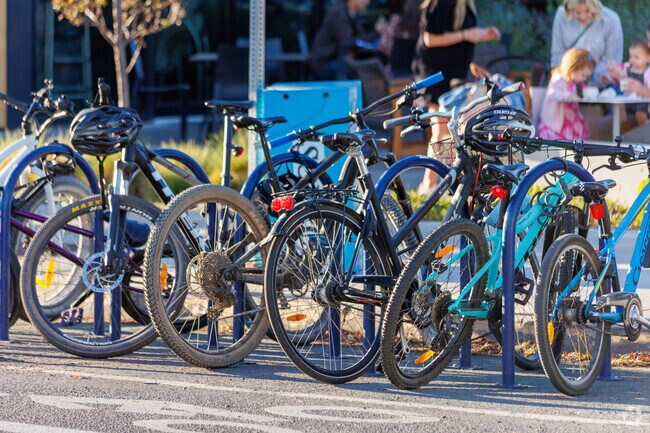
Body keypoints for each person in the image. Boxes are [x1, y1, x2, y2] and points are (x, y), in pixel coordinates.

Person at [413, 0, 500, 193]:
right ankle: (428, 187)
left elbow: (459, 36)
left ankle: (437, 185)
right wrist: (467, 35)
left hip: (453, 75)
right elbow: (430, 38)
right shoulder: (442, 3)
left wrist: (481, 35)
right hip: (437, 75)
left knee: (447, 131)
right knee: (441, 131)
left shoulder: (466, 4)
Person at [551, 0, 623, 84]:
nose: (583, 17)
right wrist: (561, 79)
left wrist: (587, 77)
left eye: (587, 11)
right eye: (577, 12)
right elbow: (557, 52)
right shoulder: (562, 15)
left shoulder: (611, 19)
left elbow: (611, 60)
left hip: (599, 82)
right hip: (568, 80)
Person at [310, 0, 378, 80]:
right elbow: (348, 42)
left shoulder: (353, 16)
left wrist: (377, 35)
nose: (367, 2)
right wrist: (375, 33)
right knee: (357, 71)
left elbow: (361, 41)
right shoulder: (338, 14)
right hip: (324, 63)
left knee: (365, 67)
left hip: (338, 60)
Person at [538, 48, 595, 140]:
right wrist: (567, 95)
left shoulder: (572, 82)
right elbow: (553, 93)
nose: (584, 79)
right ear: (572, 68)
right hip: (557, 120)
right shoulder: (558, 78)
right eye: (583, 75)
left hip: (569, 117)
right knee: (559, 141)